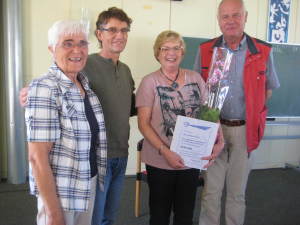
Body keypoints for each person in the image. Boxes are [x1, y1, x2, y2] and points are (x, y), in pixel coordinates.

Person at [19, 7, 135, 225]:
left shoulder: (91, 83)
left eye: (124, 30)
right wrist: (29, 93)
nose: (77, 50)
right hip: (73, 174)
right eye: (112, 30)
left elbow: (129, 106)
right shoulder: (79, 66)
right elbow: (37, 156)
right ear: (99, 34)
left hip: (102, 165)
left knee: (106, 216)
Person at [193, 1, 280, 225]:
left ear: (245, 17)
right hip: (214, 129)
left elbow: (267, 90)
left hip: (245, 130)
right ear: (218, 19)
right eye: (225, 16)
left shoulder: (263, 51)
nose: (230, 21)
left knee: (237, 193)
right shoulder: (206, 50)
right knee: (211, 192)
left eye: (236, 15)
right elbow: (197, 89)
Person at [136, 30, 224, 225]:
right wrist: (165, 151)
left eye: (176, 48)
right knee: (159, 216)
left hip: (190, 159)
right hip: (159, 161)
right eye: (165, 48)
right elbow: (143, 123)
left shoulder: (195, 78)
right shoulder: (149, 82)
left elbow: (210, 114)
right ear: (157, 53)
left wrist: (220, 141)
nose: (171, 53)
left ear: (182, 52)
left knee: (185, 215)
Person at [25, 20, 107, 225]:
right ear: (52, 49)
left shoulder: (86, 88)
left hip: (87, 183)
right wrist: (53, 213)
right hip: (60, 192)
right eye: (68, 43)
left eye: (82, 43)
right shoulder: (45, 88)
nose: (77, 50)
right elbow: (37, 157)